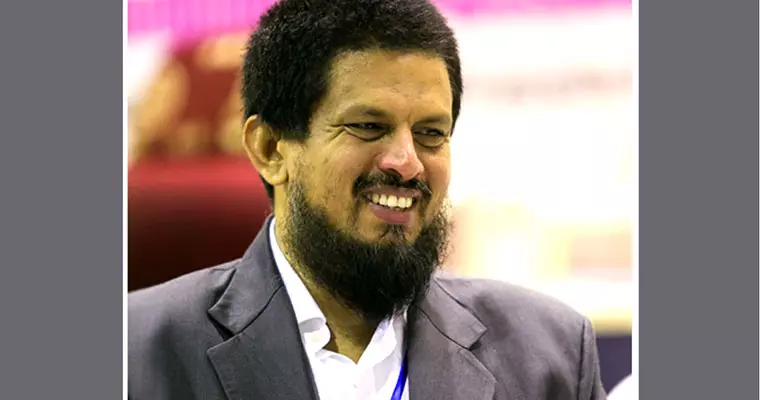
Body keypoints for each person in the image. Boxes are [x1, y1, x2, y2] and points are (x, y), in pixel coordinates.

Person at [128, 0, 608, 399]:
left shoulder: (551, 356)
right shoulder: (132, 354)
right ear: (271, 149)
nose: (407, 162)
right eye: (368, 126)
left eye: (430, 133)